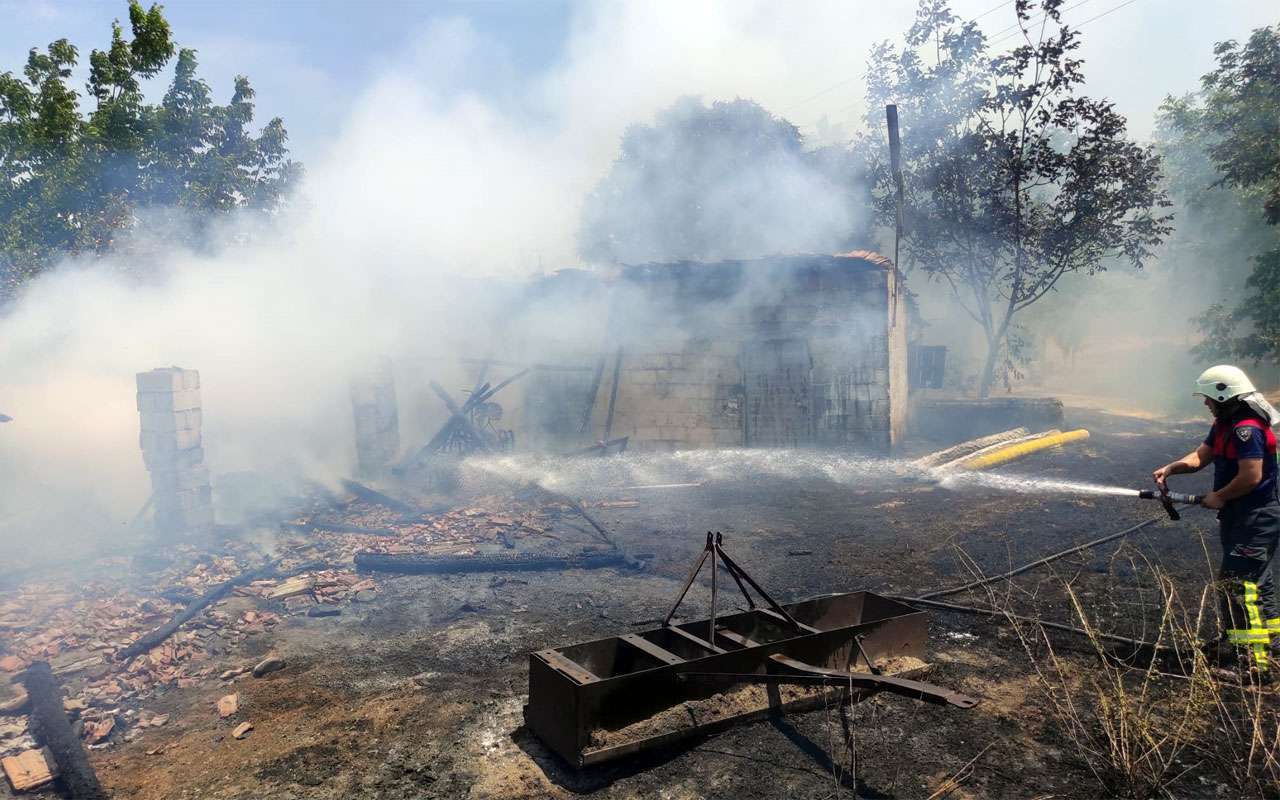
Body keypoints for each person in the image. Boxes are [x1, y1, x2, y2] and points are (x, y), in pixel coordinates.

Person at [1153, 364, 1280, 677]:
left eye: (1208, 397)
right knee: (1257, 581)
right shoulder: (1225, 423)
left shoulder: (1246, 429)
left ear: (1225, 395)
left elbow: (1251, 476)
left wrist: (1219, 495)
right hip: (1241, 514)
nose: (1205, 402)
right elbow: (1201, 456)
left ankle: (1252, 662)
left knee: (1237, 584)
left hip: (1256, 516)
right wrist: (1172, 468)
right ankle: (1272, 643)